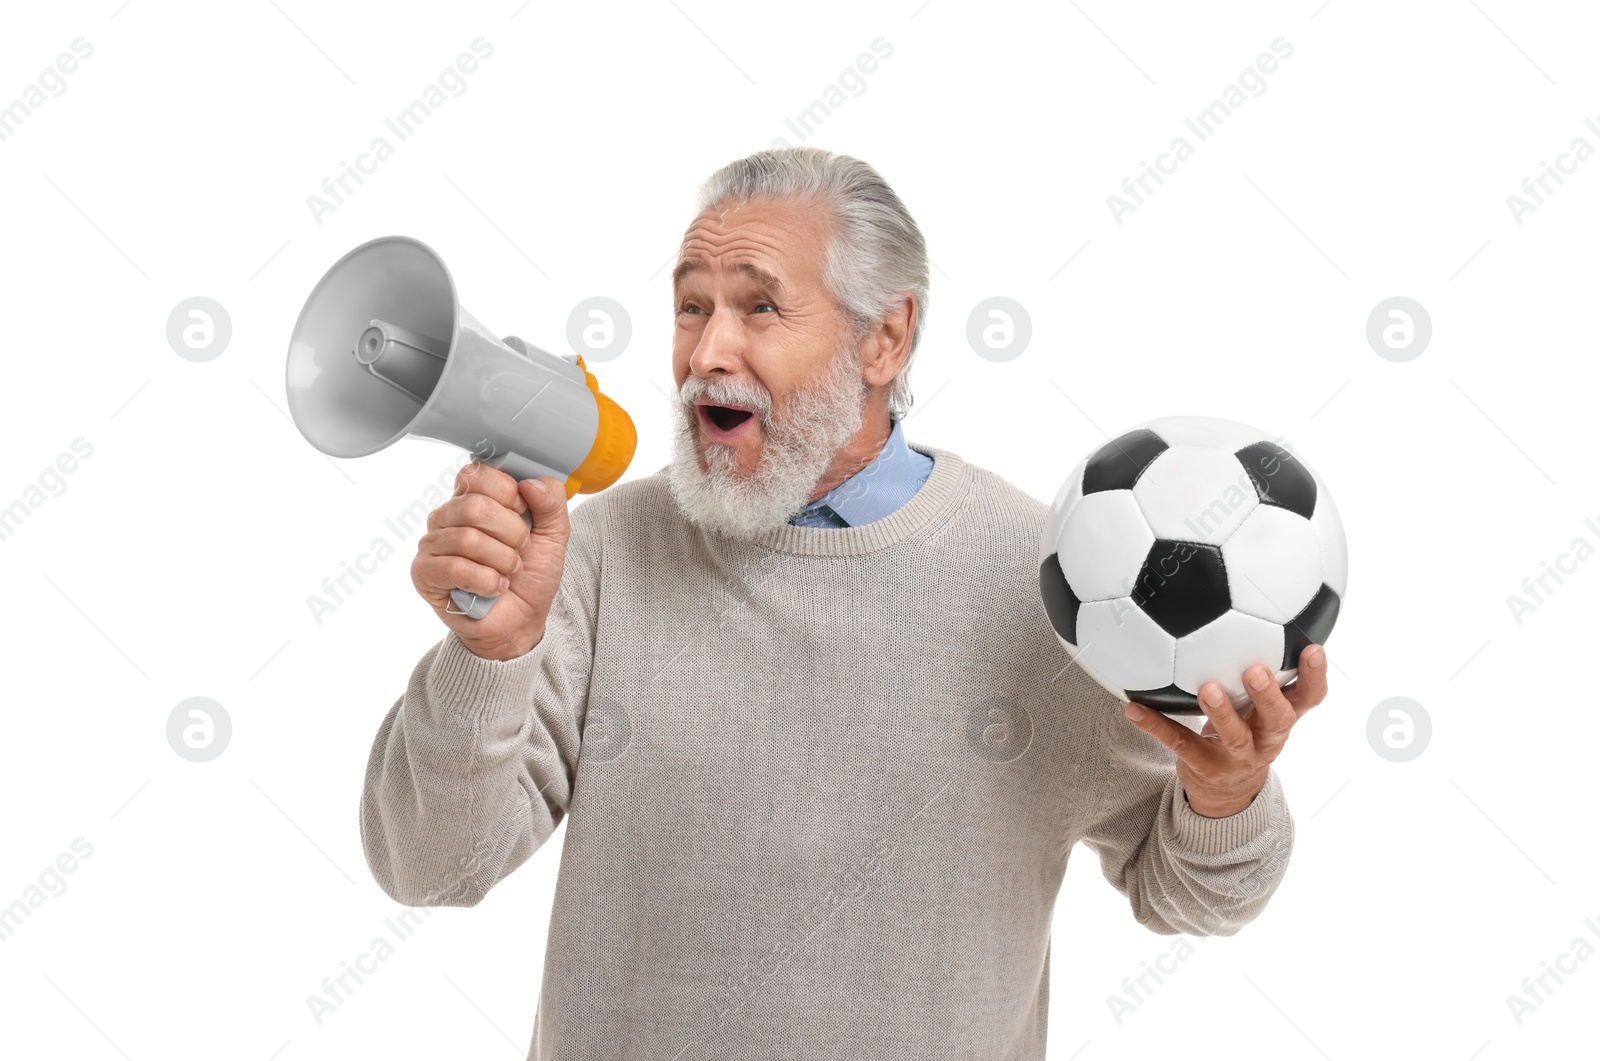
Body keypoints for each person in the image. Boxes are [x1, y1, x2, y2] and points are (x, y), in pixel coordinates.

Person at [359, 145, 1329, 1060]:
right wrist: (489, 652)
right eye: (690, 306)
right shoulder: (597, 551)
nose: (708, 351)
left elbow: (1198, 899)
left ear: (884, 337)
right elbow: (431, 867)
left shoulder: (1050, 583)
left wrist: (1226, 790)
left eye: (759, 307)